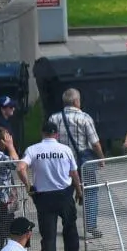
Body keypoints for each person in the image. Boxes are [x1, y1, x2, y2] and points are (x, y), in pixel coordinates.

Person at [20, 120, 82, 251]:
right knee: (70, 230)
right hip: (64, 194)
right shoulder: (65, 150)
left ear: (43, 133)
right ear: (56, 134)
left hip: (44, 197)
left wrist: (28, 187)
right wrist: (79, 190)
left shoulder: (33, 150)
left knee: (48, 238)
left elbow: (20, 168)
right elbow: (73, 172)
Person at [48, 88, 105, 239]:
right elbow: (95, 142)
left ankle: (68, 223)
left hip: (62, 163)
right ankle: (91, 226)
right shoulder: (85, 118)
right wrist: (101, 158)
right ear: (76, 101)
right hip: (83, 162)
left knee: (66, 193)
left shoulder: (54, 118)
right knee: (91, 191)